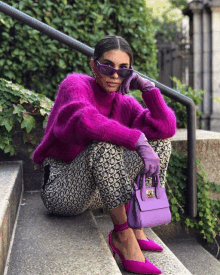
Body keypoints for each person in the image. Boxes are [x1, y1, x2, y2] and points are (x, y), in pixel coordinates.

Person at [32, 34, 176, 274]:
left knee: (161, 144)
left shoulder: (124, 103)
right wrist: (136, 139)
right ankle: (123, 236)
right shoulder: (75, 85)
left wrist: (149, 89)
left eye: (123, 69)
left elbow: (165, 128)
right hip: (62, 189)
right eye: (107, 66)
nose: (115, 75)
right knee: (104, 145)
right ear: (93, 65)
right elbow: (84, 121)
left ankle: (138, 224)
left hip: (102, 190)